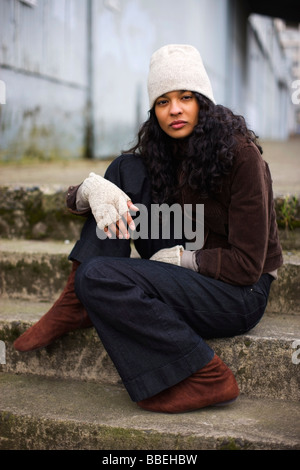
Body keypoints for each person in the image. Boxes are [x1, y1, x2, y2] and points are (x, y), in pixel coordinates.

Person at [14, 44, 283, 413]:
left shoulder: (241, 155)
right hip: (191, 248)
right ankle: (76, 301)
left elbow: (248, 265)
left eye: (186, 97)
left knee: (98, 277)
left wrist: (184, 260)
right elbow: (115, 194)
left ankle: (206, 374)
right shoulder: (167, 149)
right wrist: (86, 191)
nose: (174, 109)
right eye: (162, 101)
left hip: (238, 291)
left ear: (204, 101)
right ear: (153, 110)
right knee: (123, 170)